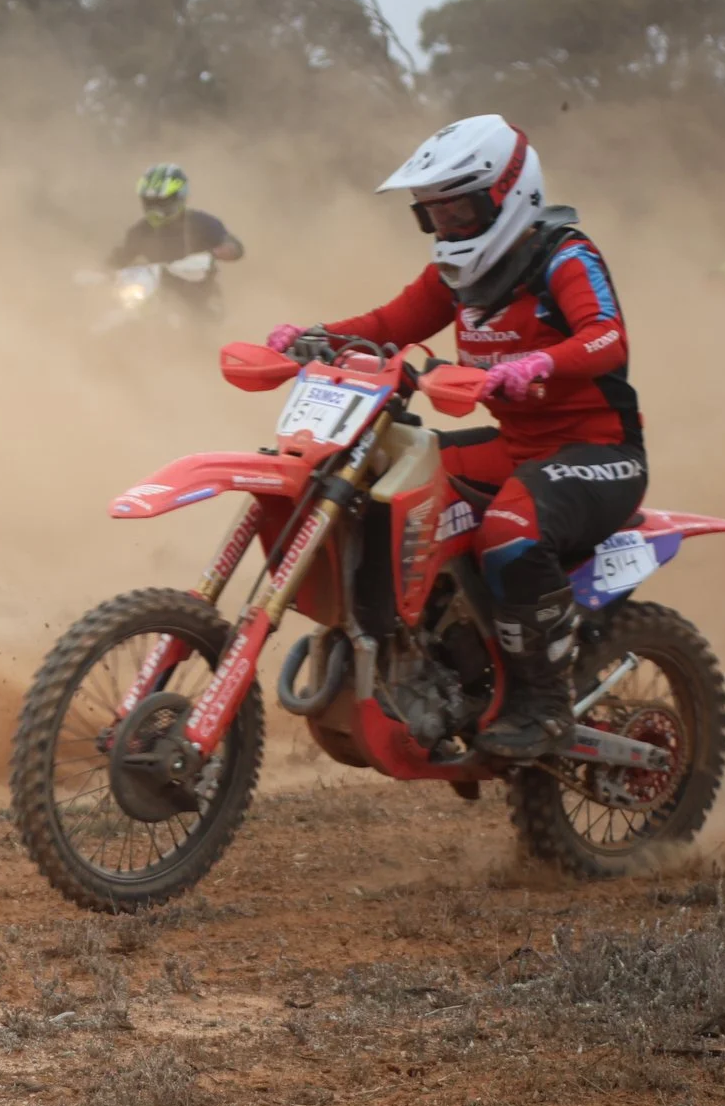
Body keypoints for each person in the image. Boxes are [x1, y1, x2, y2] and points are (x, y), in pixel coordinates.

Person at [261, 114, 642, 760]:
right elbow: (388, 323)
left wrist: (543, 363)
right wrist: (315, 337)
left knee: (511, 529)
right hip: (517, 449)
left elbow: (607, 336)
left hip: (598, 452)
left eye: (460, 210)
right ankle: (430, 654)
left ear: (511, 191)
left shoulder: (565, 256)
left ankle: (544, 706)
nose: (449, 228)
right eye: (434, 215)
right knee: (392, 486)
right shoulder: (454, 277)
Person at [107, 163, 243, 313]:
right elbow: (121, 257)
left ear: (179, 198)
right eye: (150, 203)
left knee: (208, 317)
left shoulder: (202, 223)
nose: (156, 209)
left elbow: (234, 247)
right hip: (153, 294)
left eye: (162, 203)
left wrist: (219, 252)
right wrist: (102, 271)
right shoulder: (140, 231)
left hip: (200, 293)